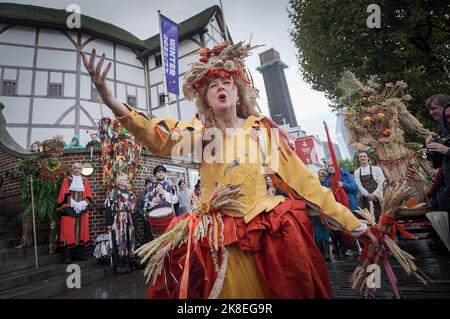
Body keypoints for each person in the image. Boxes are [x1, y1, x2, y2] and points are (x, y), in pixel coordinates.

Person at [81, 42, 377, 299]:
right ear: (205, 98)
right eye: (213, 86)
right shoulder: (200, 135)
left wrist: (354, 224)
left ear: (239, 94)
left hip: (265, 235)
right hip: (215, 240)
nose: (220, 88)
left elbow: (306, 183)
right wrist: (109, 99)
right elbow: (157, 136)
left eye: (227, 84)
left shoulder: (262, 132)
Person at [56, 162, 92, 264]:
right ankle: (67, 256)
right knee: (68, 232)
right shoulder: (66, 180)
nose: (77, 170)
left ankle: (79, 254)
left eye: (79, 168)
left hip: (81, 210)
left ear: (81, 170)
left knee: (80, 232)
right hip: (69, 210)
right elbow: (64, 194)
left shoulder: (85, 181)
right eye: (75, 168)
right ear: (72, 169)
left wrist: (82, 203)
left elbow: (88, 195)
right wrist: (73, 203)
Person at [323, 160, 359, 257]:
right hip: (335, 206)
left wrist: (344, 185)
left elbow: (355, 187)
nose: (331, 167)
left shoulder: (344, 174)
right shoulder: (328, 177)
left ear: (336, 165)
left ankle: (355, 247)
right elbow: (324, 189)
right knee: (339, 227)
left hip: (347, 204)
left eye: (332, 165)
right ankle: (345, 246)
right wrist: (327, 190)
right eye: (329, 165)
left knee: (351, 226)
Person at [105, 174, 136, 274]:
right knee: (118, 242)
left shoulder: (130, 193)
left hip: (128, 220)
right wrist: (109, 223)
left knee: (128, 241)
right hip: (117, 222)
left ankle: (128, 263)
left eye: (127, 179)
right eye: (124, 179)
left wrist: (133, 223)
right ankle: (119, 265)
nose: (126, 180)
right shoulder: (112, 193)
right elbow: (108, 209)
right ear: (119, 181)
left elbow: (133, 208)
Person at [426, 103, 450, 211]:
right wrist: (434, 148)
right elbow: (440, 167)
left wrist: (446, 150)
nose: (449, 120)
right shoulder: (447, 137)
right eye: (447, 118)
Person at [144, 165, 179, 235]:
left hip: (170, 218)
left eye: (162, 172)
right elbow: (146, 206)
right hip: (157, 221)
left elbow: (176, 200)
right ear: (155, 175)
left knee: (171, 238)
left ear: (165, 174)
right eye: (158, 172)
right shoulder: (151, 188)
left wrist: (165, 194)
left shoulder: (171, 185)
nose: (161, 174)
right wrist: (154, 201)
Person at [354, 150, 385, 222]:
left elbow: (381, 183)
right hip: (366, 199)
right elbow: (359, 185)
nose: (362, 158)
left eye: (364, 156)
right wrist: (368, 195)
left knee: (381, 217)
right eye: (360, 156)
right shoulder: (357, 172)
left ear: (368, 158)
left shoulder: (376, 169)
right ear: (358, 159)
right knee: (371, 219)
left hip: (378, 198)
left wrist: (375, 195)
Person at [135, 177, 154, 243]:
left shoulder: (155, 193)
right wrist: (144, 215)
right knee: (148, 236)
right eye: (148, 184)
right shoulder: (141, 194)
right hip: (146, 219)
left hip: (156, 219)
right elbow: (138, 207)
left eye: (151, 184)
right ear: (145, 185)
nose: (150, 185)